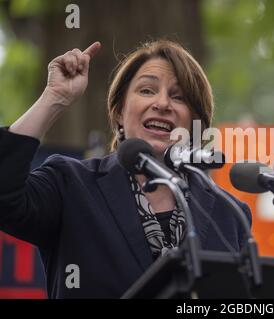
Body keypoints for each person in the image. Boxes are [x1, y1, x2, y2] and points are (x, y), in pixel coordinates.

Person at [0, 40, 251, 298]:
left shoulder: (229, 214)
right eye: (146, 90)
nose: (163, 103)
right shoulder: (71, 185)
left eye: (179, 97)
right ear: (119, 112)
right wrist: (54, 98)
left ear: (195, 122)